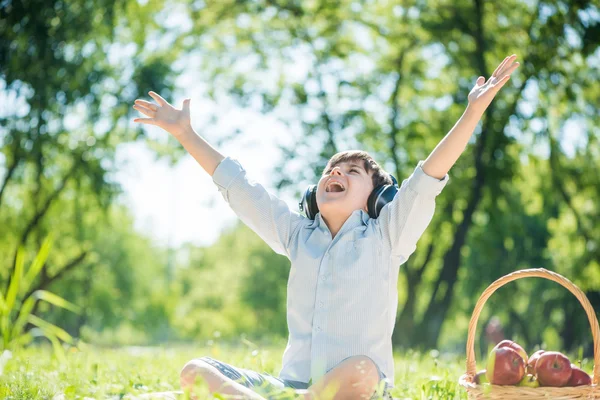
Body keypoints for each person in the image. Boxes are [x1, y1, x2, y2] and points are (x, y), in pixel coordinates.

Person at [133, 54, 520, 400]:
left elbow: (430, 175)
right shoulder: (296, 234)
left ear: (377, 199)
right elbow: (240, 187)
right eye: (330, 170)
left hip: (358, 391)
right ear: (312, 194)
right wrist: (185, 133)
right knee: (196, 371)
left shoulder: (387, 234)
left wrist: (473, 112)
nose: (336, 172)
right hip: (290, 389)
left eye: (353, 171)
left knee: (364, 370)